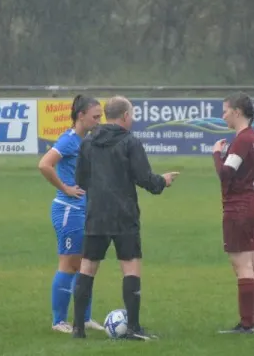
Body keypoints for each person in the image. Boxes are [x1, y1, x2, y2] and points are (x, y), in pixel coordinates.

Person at [71, 96, 180, 340]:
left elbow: (81, 180)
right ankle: (133, 328)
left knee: (87, 268)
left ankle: (78, 328)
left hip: (96, 213)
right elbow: (145, 178)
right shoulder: (130, 141)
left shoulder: (88, 142)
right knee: (130, 267)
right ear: (125, 116)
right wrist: (163, 181)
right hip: (124, 214)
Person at [37, 95, 105, 334]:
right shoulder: (68, 140)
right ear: (81, 116)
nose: (99, 121)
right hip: (69, 210)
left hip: (84, 211)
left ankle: (83, 318)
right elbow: (44, 164)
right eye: (95, 116)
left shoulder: (86, 141)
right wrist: (65, 188)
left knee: (84, 265)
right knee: (68, 264)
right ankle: (58, 322)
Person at [212, 92, 254, 334]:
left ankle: (246, 323)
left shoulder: (241, 140)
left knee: (242, 265)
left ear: (237, 112)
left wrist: (216, 154)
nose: (223, 115)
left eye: (225, 110)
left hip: (239, 207)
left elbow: (226, 173)